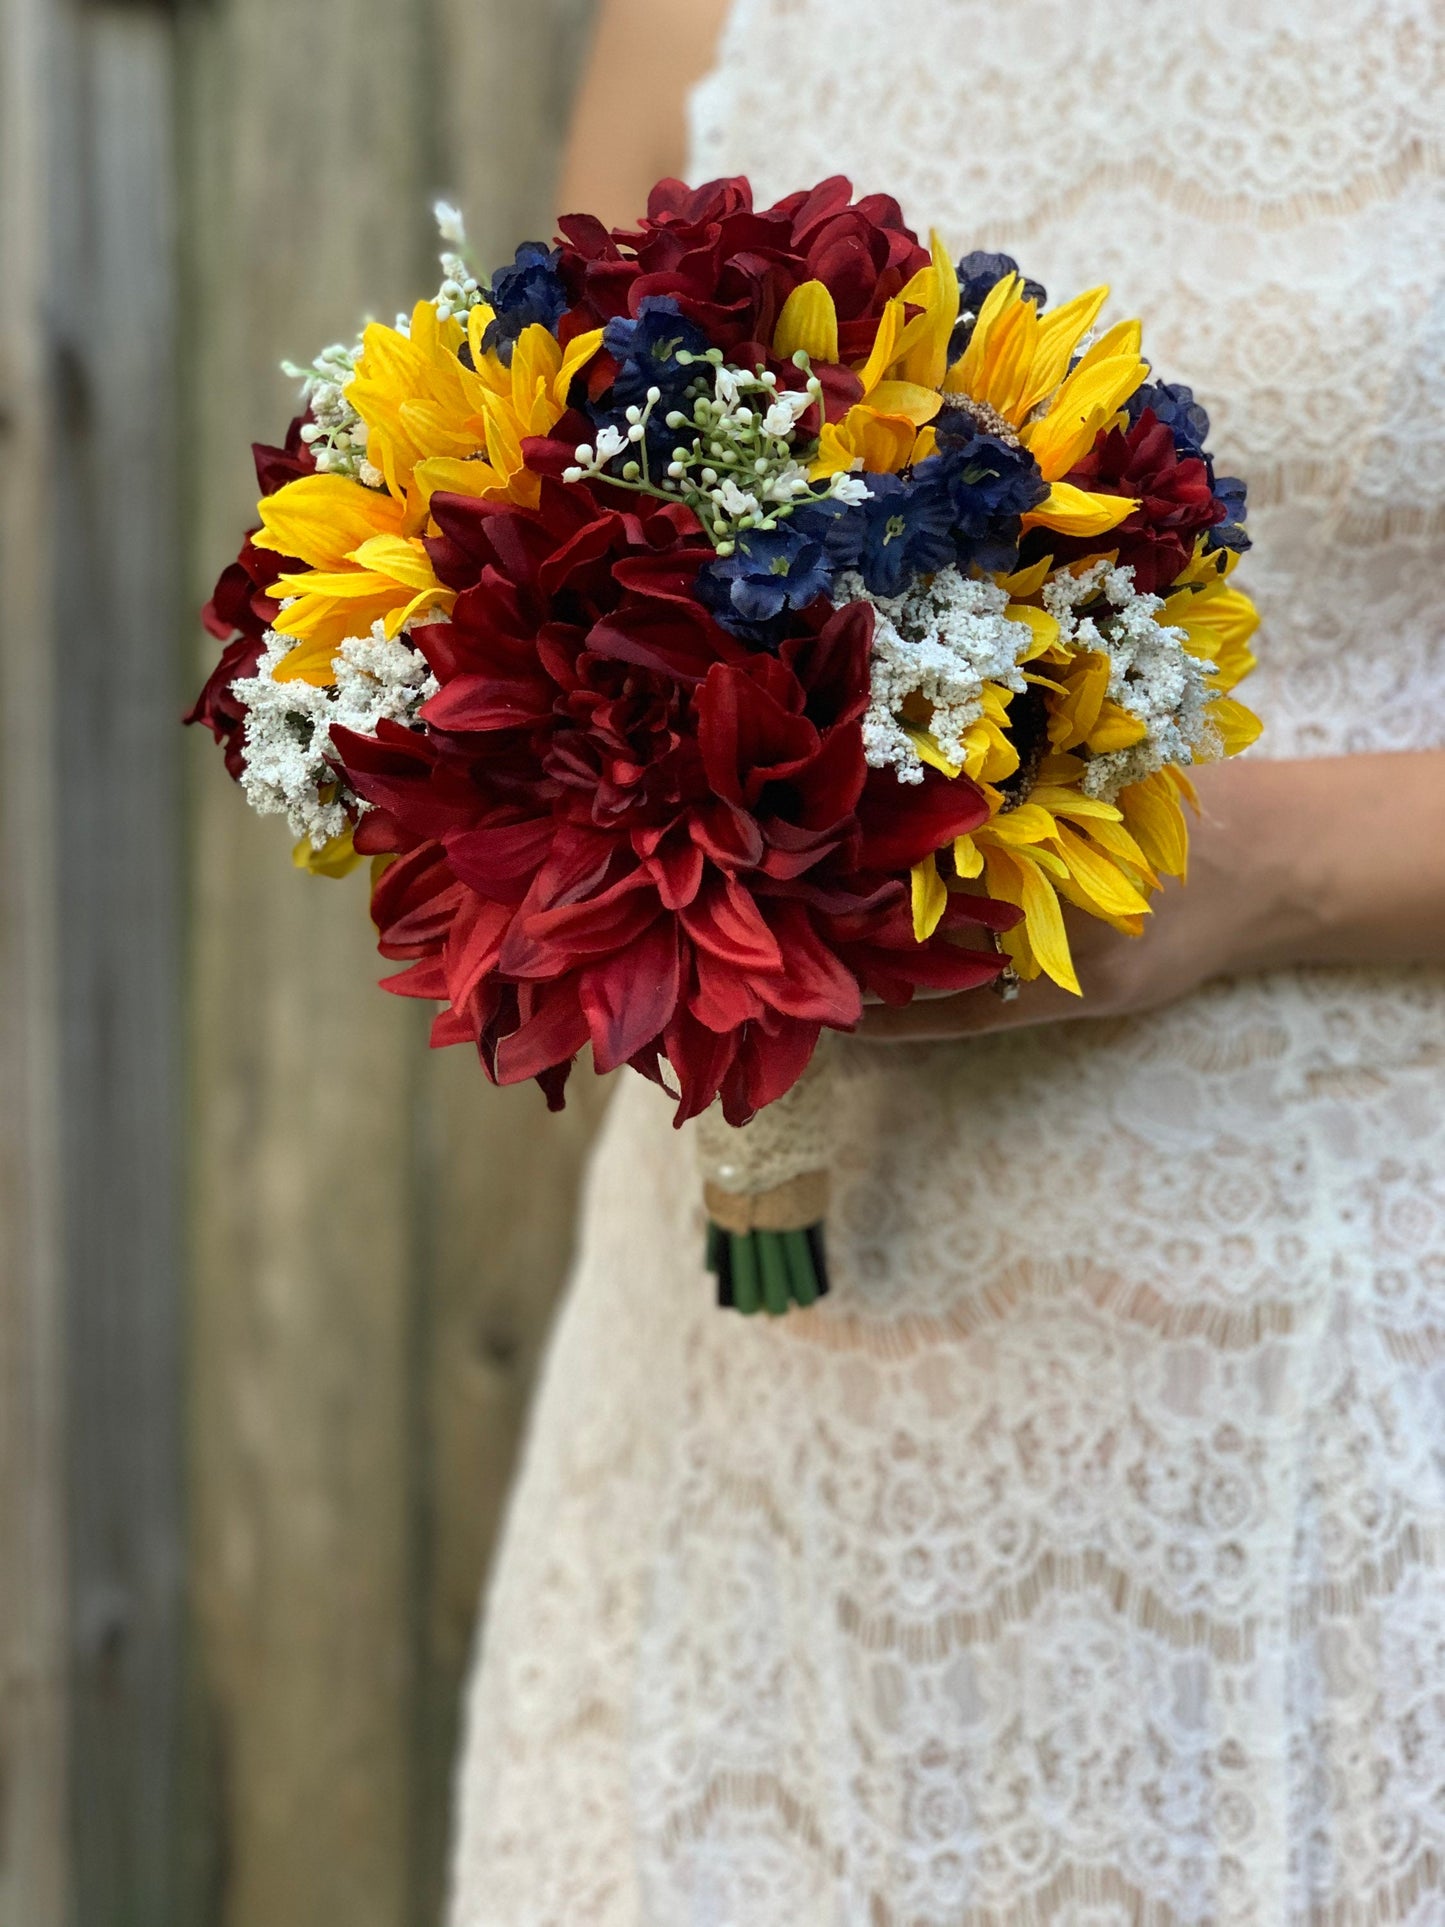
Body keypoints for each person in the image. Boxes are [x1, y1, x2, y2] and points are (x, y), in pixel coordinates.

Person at [448, 2, 1445, 1919]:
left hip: (1328, 1432)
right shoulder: (703, 17)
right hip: (761, 1432)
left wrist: (1253, 870)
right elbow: (538, 554)